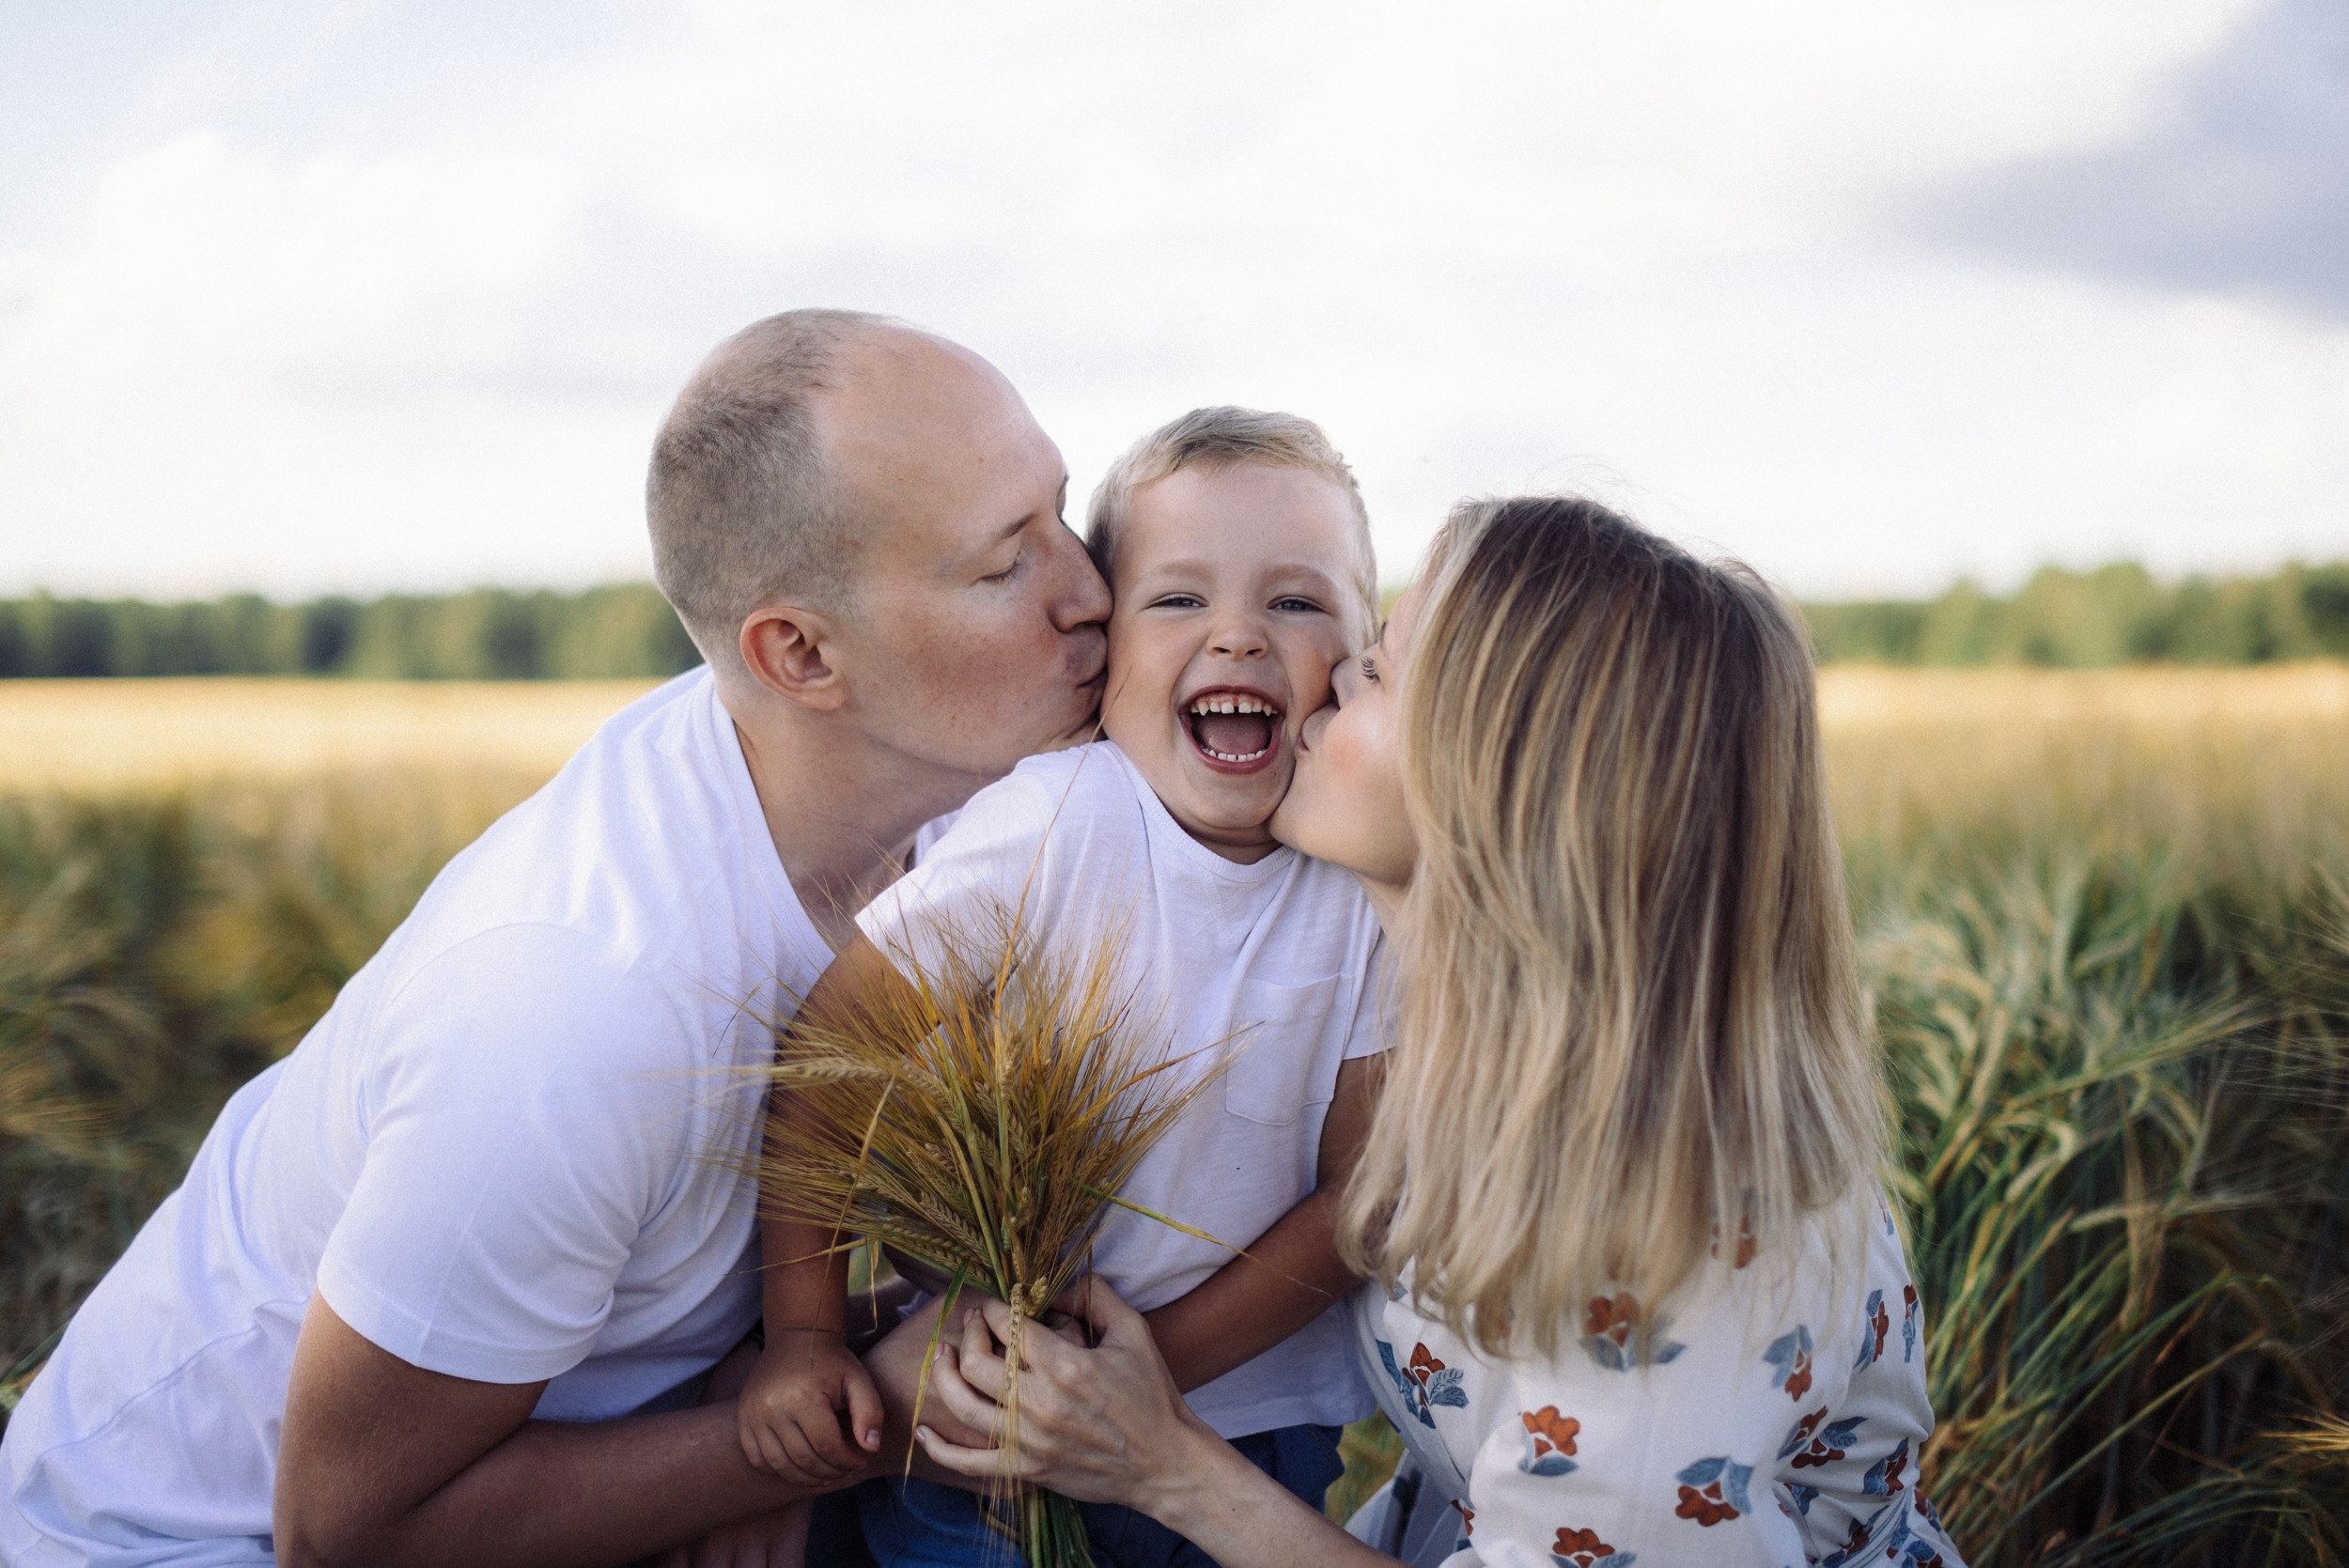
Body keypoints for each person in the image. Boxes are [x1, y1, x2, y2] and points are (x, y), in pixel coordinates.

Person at [0, 309, 1112, 1567]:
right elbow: (348, 1533)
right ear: (799, 654)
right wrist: (829, 1431)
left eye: (1061, 513)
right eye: (1003, 566)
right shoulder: (578, 1014)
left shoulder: (945, 799)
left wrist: (766, 1371)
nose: (1090, 591)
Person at [911, 495, 1970, 1567]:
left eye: (1376, 672)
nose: (1331, 678)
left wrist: (1164, 1464)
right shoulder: (1462, 1040)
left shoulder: (1665, 1242)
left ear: (1500, 782)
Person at [738, 408, 1392, 1565]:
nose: (1238, 636)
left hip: (1251, 1437)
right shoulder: (1053, 826)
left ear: (1362, 658)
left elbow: (1356, 1201)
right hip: (986, 1429)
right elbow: (832, 1063)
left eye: (1296, 603)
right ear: (1102, 650)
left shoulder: (1359, 881)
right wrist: (802, 1337)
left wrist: (1132, 1385)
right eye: (1177, 598)